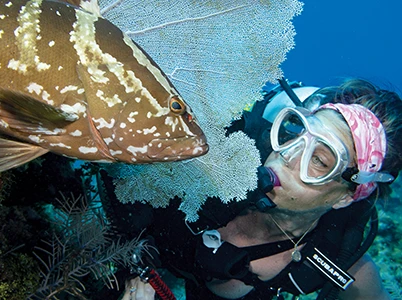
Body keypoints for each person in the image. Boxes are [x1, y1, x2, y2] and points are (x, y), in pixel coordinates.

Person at [106, 78, 401, 300]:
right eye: (296, 132)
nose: (288, 154)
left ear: (347, 196)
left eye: (321, 160)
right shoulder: (223, 151)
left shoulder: (345, 266)